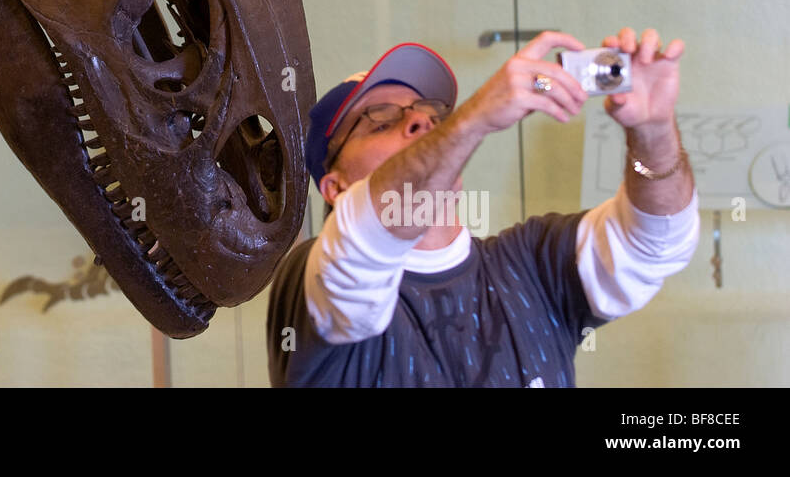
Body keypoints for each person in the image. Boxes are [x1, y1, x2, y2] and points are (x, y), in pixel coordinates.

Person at [266, 28, 699, 387]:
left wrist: (654, 129)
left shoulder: (530, 262)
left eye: (431, 114)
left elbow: (654, 244)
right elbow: (362, 239)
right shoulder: (313, 279)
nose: (420, 121)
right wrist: (473, 119)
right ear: (335, 187)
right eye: (379, 120)